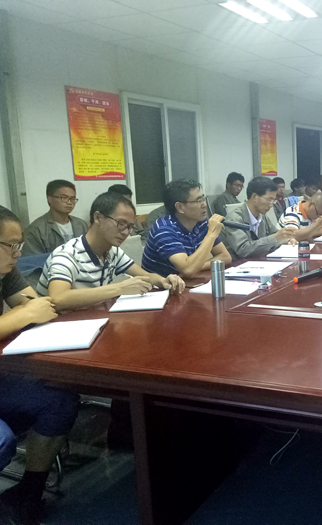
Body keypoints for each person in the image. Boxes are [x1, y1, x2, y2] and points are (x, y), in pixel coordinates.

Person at [0, 207, 79, 525]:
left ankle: (28, 494)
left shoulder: (5, 271)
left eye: (19, 244)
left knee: (59, 397)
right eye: (11, 245)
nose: (18, 253)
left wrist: (22, 313)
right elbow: (27, 312)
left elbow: (38, 305)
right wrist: (19, 316)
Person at [37, 192, 185, 310]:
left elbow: (146, 276)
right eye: (121, 223)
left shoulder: (113, 252)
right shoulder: (67, 255)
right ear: (98, 218)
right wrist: (119, 288)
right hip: (58, 327)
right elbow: (58, 298)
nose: (125, 232)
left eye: (130, 227)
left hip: (92, 319)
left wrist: (164, 281)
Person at [141, 180, 232, 278]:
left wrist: (197, 266)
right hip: (159, 286)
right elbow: (188, 270)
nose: (204, 205)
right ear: (180, 207)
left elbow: (225, 257)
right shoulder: (164, 229)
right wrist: (211, 234)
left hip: (185, 282)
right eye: (198, 201)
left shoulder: (201, 222)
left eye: (203, 199)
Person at [221, 176, 297, 259]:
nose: (271, 204)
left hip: (259, 261)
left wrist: (287, 240)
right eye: (269, 199)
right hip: (237, 264)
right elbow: (243, 249)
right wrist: (275, 238)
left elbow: (274, 235)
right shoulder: (234, 218)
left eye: (274, 200)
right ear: (255, 197)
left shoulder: (262, 216)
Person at [23, 180, 88, 256]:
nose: (70, 202)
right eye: (64, 198)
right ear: (49, 199)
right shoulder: (36, 229)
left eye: (72, 198)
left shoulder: (81, 225)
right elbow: (33, 260)